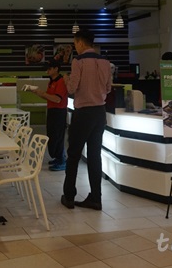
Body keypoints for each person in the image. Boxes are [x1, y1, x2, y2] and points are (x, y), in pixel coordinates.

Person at [61, 28, 112, 211]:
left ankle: (69, 196)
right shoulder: (105, 61)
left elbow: (72, 88)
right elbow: (108, 88)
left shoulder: (79, 61)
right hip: (100, 113)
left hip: (83, 113)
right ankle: (96, 199)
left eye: (75, 43)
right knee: (95, 156)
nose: (75, 46)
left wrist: (66, 80)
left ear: (81, 42)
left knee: (74, 155)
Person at [32, 59, 68, 171]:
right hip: (52, 111)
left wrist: (42, 93)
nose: (47, 71)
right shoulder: (51, 81)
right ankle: (57, 157)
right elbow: (50, 97)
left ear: (56, 69)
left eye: (49, 68)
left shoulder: (61, 81)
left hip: (59, 112)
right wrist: (38, 93)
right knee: (52, 136)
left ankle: (61, 160)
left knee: (58, 136)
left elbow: (57, 99)